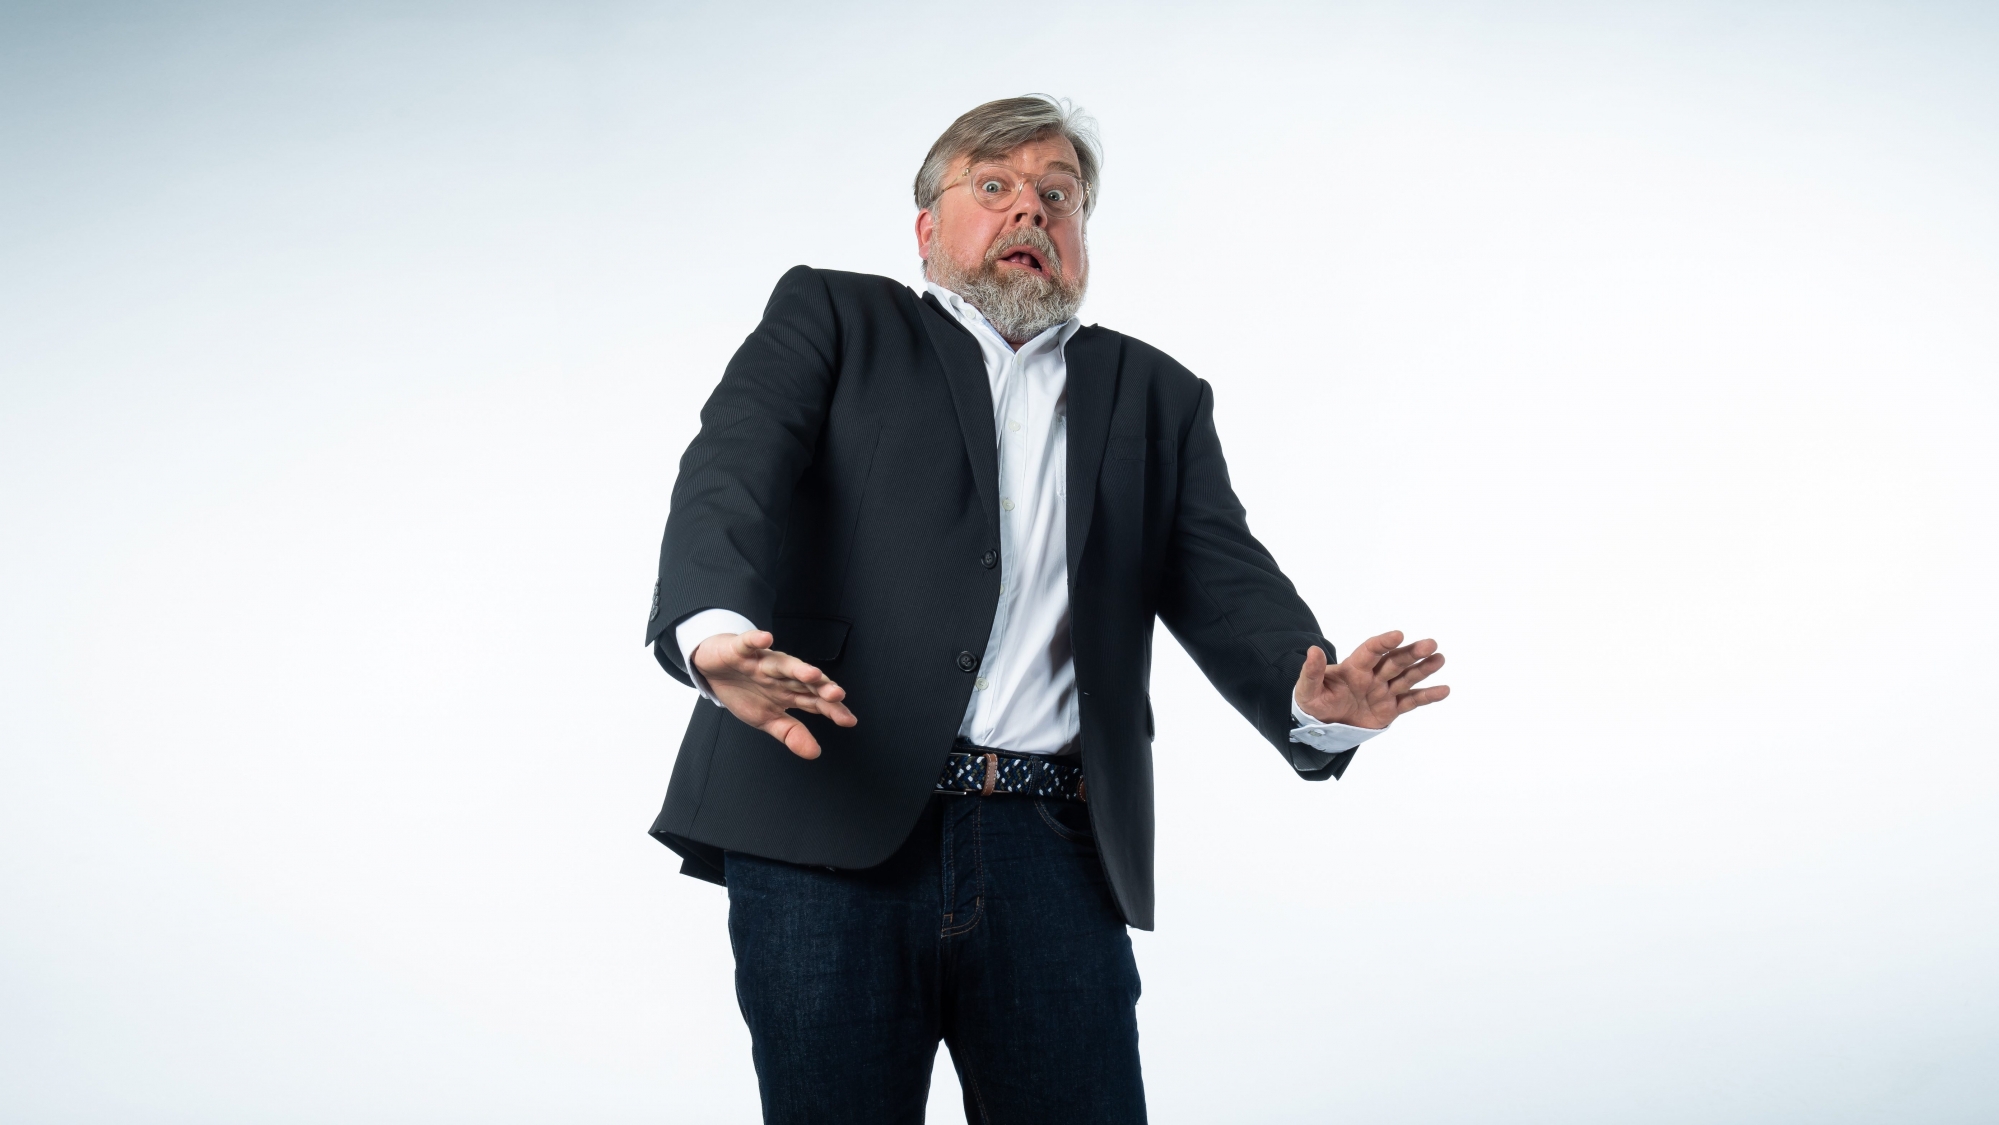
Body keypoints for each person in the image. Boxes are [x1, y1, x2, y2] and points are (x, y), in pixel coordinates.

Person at [643, 95, 1449, 1125]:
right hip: (828, 835)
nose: (1031, 211)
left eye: (1058, 196)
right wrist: (714, 638)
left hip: (1052, 852)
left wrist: (1319, 699)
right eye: (995, 187)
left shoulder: (1156, 394)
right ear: (929, 229)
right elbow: (729, 477)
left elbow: (1225, 578)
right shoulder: (836, 318)